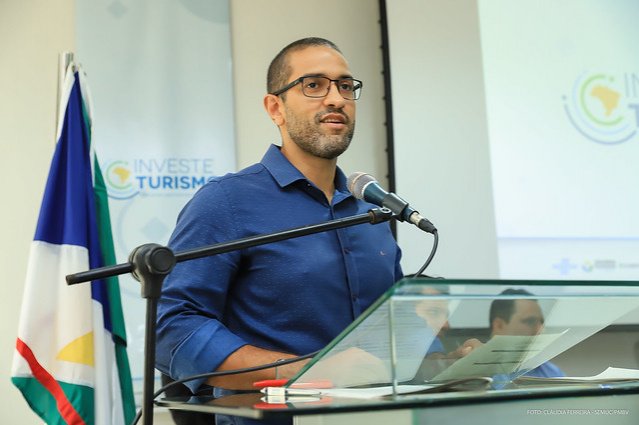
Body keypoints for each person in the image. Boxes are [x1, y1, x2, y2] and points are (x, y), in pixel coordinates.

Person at [155, 37, 403, 424]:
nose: (336, 99)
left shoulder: (370, 211)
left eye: (345, 86)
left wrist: (446, 352)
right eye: (314, 85)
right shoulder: (226, 202)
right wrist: (306, 372)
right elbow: (173, 328)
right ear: (275, 108)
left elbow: (390, 328)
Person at [489, 289, 564, 378]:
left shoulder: (553, 373)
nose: (541, 330)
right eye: (530, 321)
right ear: (499, 326)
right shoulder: (477, 370)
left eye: (541, 322)